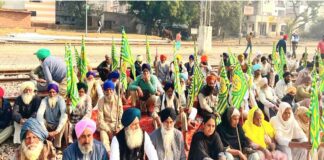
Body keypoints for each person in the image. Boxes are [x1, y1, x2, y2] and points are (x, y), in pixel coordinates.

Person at [37, 83, 68, 150]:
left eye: (54, 92)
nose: (52, 94)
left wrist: (57, 131)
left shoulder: (60, 100)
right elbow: (39, 114)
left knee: (64, 122)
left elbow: (64, 114)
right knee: (39, 120)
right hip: (48, 124)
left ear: (57, 92)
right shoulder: (44, 100)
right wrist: (46, 131)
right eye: (50, 92)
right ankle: (45, 142)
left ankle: (57, 145)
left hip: (57, 124)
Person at [98, 80, 123, 153]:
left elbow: (121, 115)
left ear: (113, 90)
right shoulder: (101, 101)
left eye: (110, 90)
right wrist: (108, 130)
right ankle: (108, 152)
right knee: (103, 135)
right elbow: (100, 119)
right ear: (104, 91)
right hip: (106, 124)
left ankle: (120, 152)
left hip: (116, 123)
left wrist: (118, 126)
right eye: (107, 90)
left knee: (122, 135)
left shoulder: (118, 99)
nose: (109, 92)